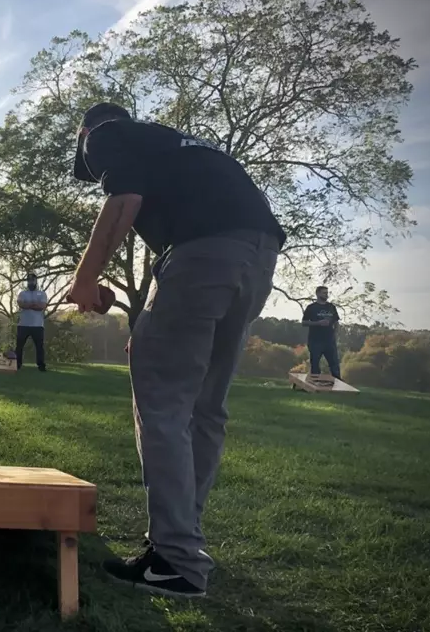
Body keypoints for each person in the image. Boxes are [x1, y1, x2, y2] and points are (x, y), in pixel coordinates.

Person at [67, 103, 286, 598]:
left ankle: (176, 560)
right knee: (206, 408)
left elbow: (122, 202)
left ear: (86, 131)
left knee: (163, 403)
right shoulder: (179, 146)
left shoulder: (106, 131)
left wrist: (84, 279)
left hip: (204, 253)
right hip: (259, 254)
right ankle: (181, 543)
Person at [302, 286, 341, 379]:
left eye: (327, 293)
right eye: (324, 293)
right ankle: (314, 383)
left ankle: (338, 384)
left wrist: (335, 334)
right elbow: (304, 322)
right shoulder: (311, 307)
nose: (326, 295)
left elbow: (336, 322)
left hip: (329, 341)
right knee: (315, 364)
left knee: (334, 364)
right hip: (315, 341)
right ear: (318, 294)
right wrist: (317, 323)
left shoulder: (331, 307)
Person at [16, 272, 48, 371]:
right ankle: (17, 364)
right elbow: (21, 305)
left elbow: (41, 307)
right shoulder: (22, 293)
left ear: (36, 281)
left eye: (32, 280)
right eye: (29, 280)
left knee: (39, 347)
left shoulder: (42, 294)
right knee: (19, 346)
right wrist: (34, 304)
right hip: (23, 325)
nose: (31, 282)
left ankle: (41, 366)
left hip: (37, 325)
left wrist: (28, 305)